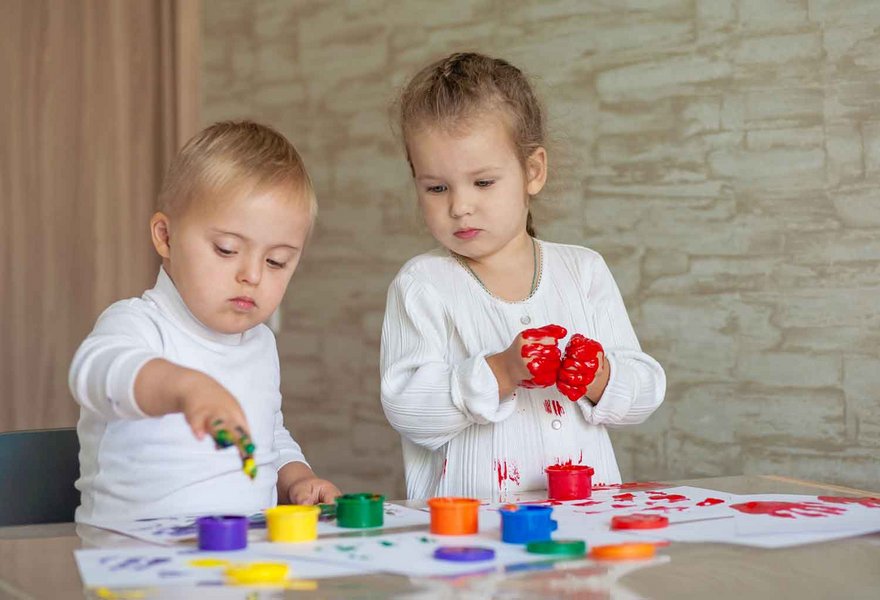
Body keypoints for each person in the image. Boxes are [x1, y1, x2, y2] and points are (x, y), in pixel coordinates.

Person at [381, 53, 666, 501]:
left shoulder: (582, 270)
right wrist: (499, 372)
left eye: (483, 183)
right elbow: (407, 408)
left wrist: (599, 375)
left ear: (533, 171)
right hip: (474, 535)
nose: (459, 206)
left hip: (586, 523)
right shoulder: (423, 284)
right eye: (436, 188)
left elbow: (645, 389)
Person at [70, 121, 340, 525]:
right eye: (227, 249)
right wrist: (183, 387)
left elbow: (263, 434)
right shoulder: (139, 324)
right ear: (165, 237)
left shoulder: (260, 344)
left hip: (240, 561)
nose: (252, 274)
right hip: (138, 565)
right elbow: (91, 374)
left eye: (276, 261)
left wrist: (295, 476)